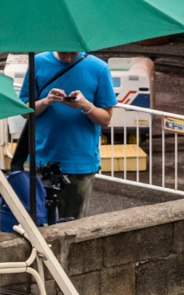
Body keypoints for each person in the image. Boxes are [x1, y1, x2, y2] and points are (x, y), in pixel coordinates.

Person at [18, 51, 116, 221]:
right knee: (35, 224)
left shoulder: (98, 68)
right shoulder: (38, 63)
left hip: (80, 163)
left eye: (72, 49)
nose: (68, 54)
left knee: (72, 226)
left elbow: (106, 119)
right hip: (40, 161)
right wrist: (46, 101)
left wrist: (85, 105)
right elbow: (25, 111)